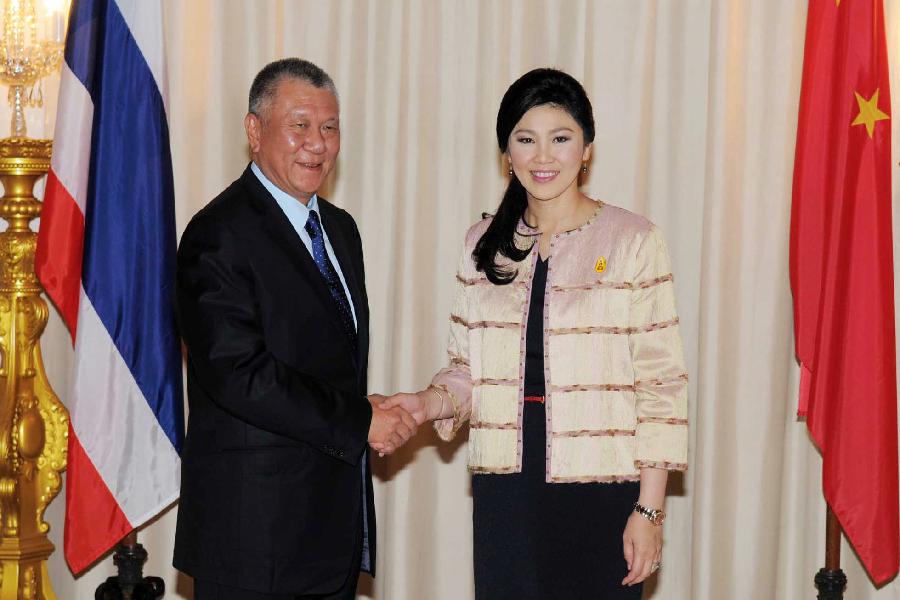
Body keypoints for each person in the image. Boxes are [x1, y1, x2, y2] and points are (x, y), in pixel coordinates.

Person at [379, 68, 688, 598]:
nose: (543, 157)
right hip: (507, 489)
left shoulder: (634, 240)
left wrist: (649, 508)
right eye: (526, 140)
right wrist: (427, 403)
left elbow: (661, 386)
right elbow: (466, 370)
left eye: (560, 139)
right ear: (508, 153)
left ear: (586, 148)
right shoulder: (483, 242)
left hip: (604, 489)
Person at [173, 58, 417, 600]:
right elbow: (239, 374)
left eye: (330, 128)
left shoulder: (340, 229)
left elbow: (326, 361)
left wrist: (366, 410)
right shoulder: (218, 233)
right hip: (253, 542)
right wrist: (359, 421)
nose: (318, 143)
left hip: (329, 538)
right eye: (300, 125)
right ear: (254, 130)